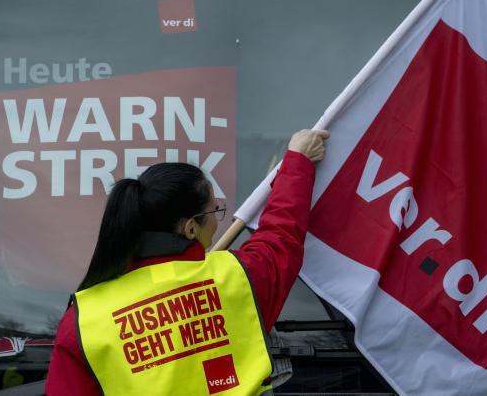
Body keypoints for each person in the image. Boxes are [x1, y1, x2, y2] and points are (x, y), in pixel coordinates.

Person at [45, 129, 329, 395]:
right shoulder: (236, 279)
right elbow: (281, 235)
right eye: (215, 210)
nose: (217, 219)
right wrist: (298, 163)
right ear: (190, 228)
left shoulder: (83, 319)